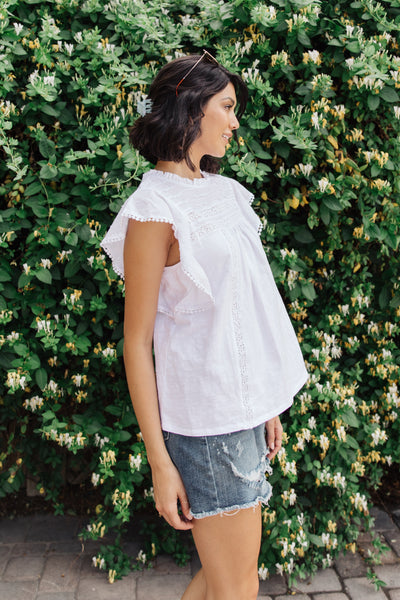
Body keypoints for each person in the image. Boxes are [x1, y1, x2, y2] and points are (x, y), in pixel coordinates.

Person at [101, 50, 308, 600]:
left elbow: (244, 310)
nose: (235, 122)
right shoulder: (154, 209)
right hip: (206, 426)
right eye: (227, 106)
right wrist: (160, 463)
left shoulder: (221, 191)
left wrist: (264, 402)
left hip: (240, 412)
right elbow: (136, 343)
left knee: (228, 579)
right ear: (191, 108)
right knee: (237, 584)